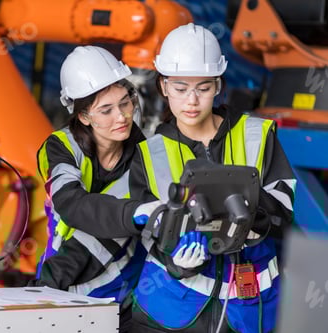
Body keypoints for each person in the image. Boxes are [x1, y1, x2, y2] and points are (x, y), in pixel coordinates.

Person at [125, 23, 296, 333]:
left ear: (217, 86)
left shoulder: (257, 135)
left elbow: (284, 206)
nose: (192, 100)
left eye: (203, 88)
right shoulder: (149, 153)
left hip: (248, 309)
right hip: (171, 309)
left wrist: (256, 219)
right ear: (163, 86)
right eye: (180, 88)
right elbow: (146, 227)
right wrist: (177, 261)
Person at [31, 45, 162, 315]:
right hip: (61, 278)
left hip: (122, 289)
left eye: (125, 102)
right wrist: (48, 286)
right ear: (84, 116)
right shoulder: (60, 147)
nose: (122, 116)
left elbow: (105, 238)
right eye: (106, 110)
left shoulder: (145, 155)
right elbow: (71, 204)